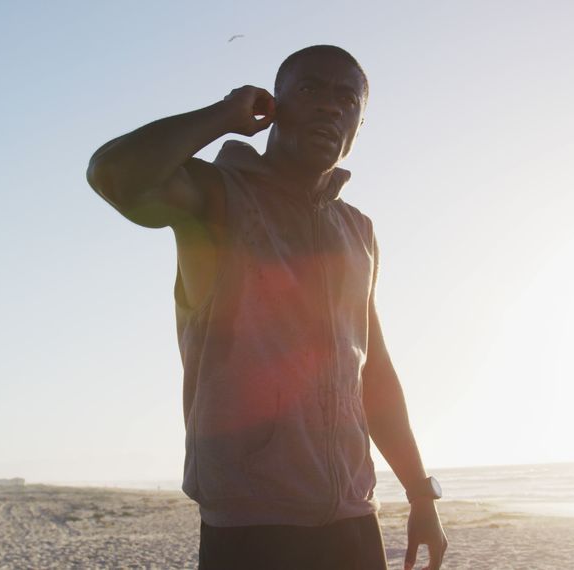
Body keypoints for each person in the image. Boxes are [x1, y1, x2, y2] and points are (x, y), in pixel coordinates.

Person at [87, 45, 447, 570]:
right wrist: (224, 116)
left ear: (359, 124)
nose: (328, 106)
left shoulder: (358, 230)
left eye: (346, 99)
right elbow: (113, 175)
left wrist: (419, 492)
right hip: (251, 522)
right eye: (309, 90)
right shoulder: (216, 196)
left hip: (351, 515)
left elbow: (374, 372)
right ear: (274, 105)